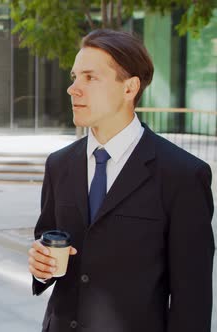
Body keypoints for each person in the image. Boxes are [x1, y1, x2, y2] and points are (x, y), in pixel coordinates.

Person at [28, 29, 214, 332]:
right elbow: (48, 245)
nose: (73, 89)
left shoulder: (183, 175)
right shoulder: (59, 165)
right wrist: (41, 269)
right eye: (75, 77)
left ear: (129, 88)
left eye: (90, 78)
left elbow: (192, 300)